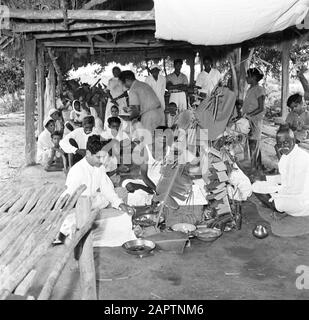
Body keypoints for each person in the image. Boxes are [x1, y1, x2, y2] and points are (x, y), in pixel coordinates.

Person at [59, 135, 136, 247]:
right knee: (72, 230)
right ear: (88, 153)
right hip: (75, 211)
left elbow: (107, 189)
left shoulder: (99, 167)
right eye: (98, 157)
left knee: (120, 200)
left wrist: (121, 204)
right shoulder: (77, 171)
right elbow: (69, 202)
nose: (102, 161)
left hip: (92, 207)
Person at [253, 124, 309, 218]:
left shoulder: (302, 158)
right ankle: (275, 205)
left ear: (294, 141)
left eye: (286, 143)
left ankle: (280, 209)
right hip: (289, 192)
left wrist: (274, 191)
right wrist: (264, 178)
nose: (282, 147)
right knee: (255, 185)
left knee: (271, 197)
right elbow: (283, 177)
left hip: (302, 199)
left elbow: (295, 190)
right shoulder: (286, 155)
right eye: (279, 144)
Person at [118, 70, 164, 137]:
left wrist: (128, 119)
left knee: (148, 141)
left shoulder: (133, 90)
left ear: (127, 80)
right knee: (159, 140)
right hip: (159, 113)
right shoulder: (144, 84)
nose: (123, 85)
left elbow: (136, 111)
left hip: (149, 116)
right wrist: (130, 109)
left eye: (123, 83)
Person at [242, 68, 266, 171]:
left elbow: (261, 107)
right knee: (252, 142)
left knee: (253, 142)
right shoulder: (250, 89)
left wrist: (248, 115)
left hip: (254, 120)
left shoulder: (259, 89)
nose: (246, 78)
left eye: (248, 76)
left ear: (254, 78)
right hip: (249, 119)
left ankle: (254, 168)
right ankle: (258, 165)